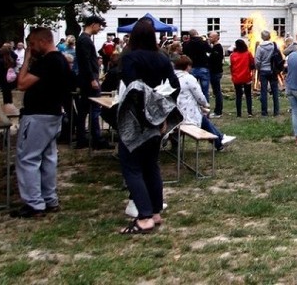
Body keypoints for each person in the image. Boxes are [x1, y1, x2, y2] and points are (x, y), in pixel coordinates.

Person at [116, 17, 181, 234]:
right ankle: (154, 211)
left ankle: (144, 217)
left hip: (135, 119)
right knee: (151, 166)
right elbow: (174, 85)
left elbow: (133, 88)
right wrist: (163, 111)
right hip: (156, 119)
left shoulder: (130, 59)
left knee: (132, 167)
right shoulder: (161, 58)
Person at [10, 27, 74, 218]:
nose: (30, 47)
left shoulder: (47, 61)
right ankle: (49, 199)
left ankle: (34, 203)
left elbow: (21, 84)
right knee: (47, 159)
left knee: (28, 158)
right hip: (53, 114)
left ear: (42, 41)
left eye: (31, 44)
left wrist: (27, 59)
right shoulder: (61, 60)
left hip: (38, 115)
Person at [174, 55, 234, 151]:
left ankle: (220, 139)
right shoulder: (188, 78)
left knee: (202, 118)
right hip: (185, 114)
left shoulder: (171, 77)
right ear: (187, 66)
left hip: (174, 113)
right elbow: (199, 96)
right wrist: (205, 104)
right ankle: (219, 140)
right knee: (201, 118)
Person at [76, 15, 111, 149]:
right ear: (93, 24)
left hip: (87, 80)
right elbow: (85, 62)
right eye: (99, 25)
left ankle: (83, 139)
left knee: (84, 110)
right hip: (89, 81)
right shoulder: (85, 40)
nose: (100, 28)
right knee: (94, 109)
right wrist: (92, 79)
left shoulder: (83, 39)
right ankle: (96, 139)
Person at [254, 30, 281, 117]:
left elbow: (257, 61)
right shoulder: (274, 46)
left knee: (263, 92)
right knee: (275, 91)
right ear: (269, 37)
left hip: (263, 71)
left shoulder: (259, 47)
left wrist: (259, 68)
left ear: (262, 37)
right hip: (273, 71)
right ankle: (276, 111)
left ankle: (264, 112)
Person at [229, 39, 255, 118]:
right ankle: (249, 112)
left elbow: (231, 66)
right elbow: (252, 64)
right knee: (248, 95)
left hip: (237, 78)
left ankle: (239, 114)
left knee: (238, 95)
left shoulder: (233, 55)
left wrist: (233, 74)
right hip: (246, 77)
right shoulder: (248, 53)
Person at [182, 29, 211, 99]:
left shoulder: (186, 44)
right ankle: (205, 107)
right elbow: (209, 50)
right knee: (205, 91)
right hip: (203, 66)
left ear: (189, 35)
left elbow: (184, 52)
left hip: (192, 67)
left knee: (192, 91)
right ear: (197, 33)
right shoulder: (203, 42)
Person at [0, 44, 18, 114]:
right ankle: (10, 104)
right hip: (10, 79)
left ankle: (7, 106)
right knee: (8, 93)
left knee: (5, 93)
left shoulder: (1, 61)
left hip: (3, 79)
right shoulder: (11, 60)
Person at [207, 31, 225, 118]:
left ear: (216, 37)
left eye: (210, 37)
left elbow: (214, 60)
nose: (209, 38)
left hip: (215, 72)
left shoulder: (217, 47)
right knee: (216, 91)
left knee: (217, 92)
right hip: (214, 71)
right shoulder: (214, 47)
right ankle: (218, 110)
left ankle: (218, 111)